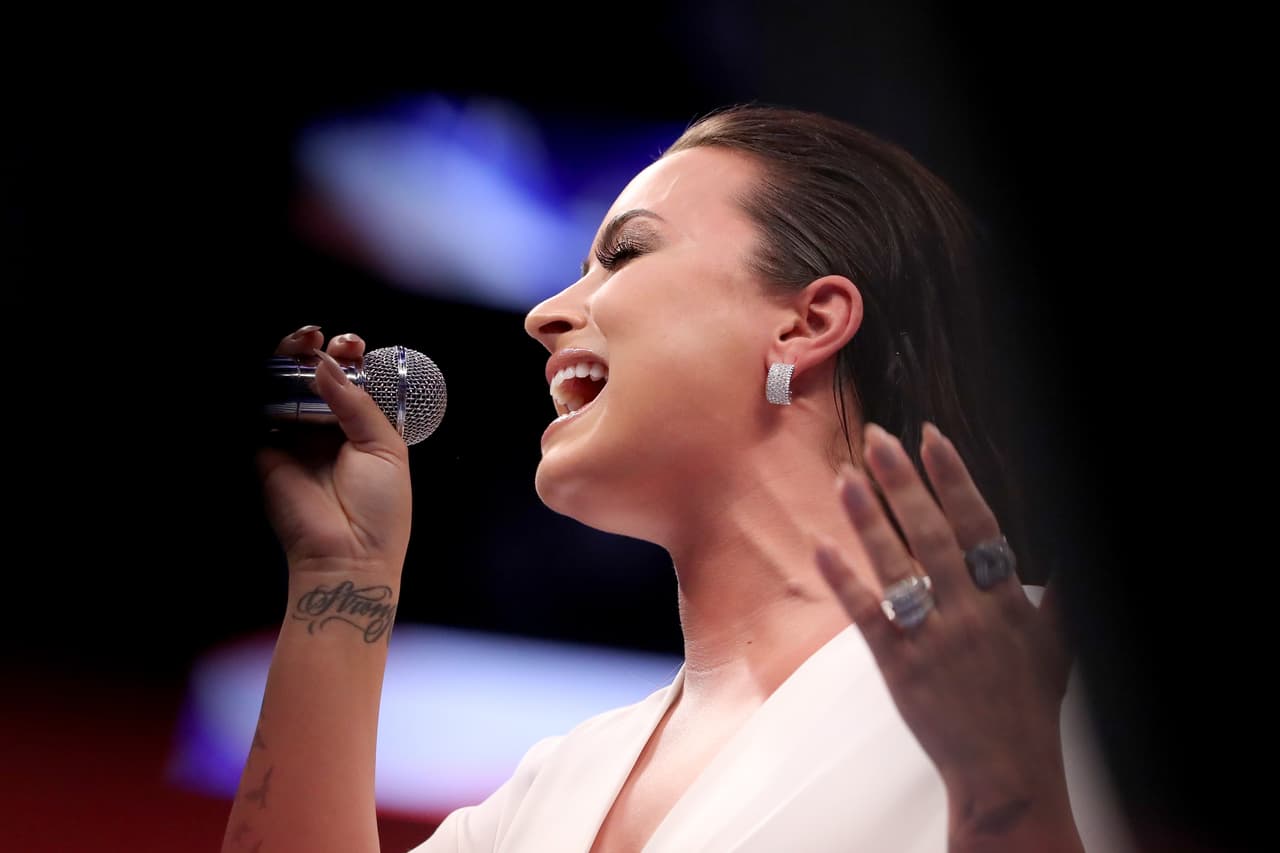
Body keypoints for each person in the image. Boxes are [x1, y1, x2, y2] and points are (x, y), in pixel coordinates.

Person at [223, 104, 1135, 852]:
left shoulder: (1046, 669)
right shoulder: (548, 792)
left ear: (807, 322)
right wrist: (340, 579)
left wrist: (1008, 799)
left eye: (623, 255)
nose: (546, 313)